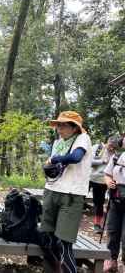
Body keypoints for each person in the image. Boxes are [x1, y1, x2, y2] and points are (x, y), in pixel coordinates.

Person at [41, 111, 92, 273]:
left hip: (71, 194)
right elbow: (55, 166)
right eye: (58, 125)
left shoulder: (83, 139)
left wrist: (55, 159)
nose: (59, 129)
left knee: (64, 243)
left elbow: (76, 157)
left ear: (75, 128)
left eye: (63, 125)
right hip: (51, 190)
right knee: (47, 238)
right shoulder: (58, 143)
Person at [103, 136, 125, 272]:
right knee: (112, 231)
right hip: (115, 200)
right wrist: (108, 181)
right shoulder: (117, 156)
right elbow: (107, 174)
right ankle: (112, 260)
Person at [90, 136, 119, 234]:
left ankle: (97, 225)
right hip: (89, 178)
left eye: (114, 147)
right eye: (110, 146)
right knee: (78, 199)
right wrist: (102, 161)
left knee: (99, 203)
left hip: (102, 181)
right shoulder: (97, 148)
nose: (111, 148)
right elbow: (88, 162)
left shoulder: (115, 155)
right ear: (106, 142)